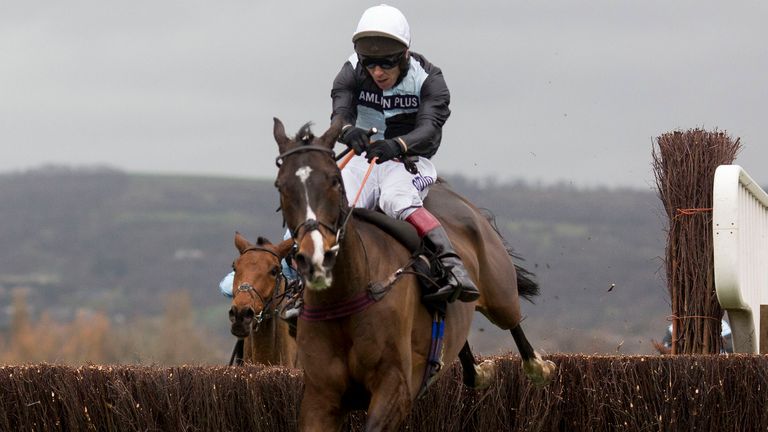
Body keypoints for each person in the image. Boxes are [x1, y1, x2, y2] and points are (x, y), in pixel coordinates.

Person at [332, 4, 478, 303]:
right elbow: (340, 113)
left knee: (394, 199)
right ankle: (291, 274)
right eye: (370, 64)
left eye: (385, 64)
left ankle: (452, 265)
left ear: (404, 56)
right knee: (331, 202)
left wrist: (397, 145)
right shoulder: (350, 70)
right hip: (362, 160)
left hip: (409, 162)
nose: (377, 72)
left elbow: (428, 129)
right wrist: (348, 130)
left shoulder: (430, 79)